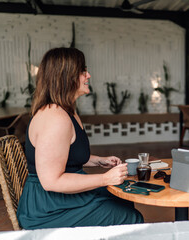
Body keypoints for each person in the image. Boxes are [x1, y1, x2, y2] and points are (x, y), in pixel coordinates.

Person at [17, 47, 143, 229]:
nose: (88, 75)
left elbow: (61, 155)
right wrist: (105, 179)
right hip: (48, 209)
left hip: (58, 200)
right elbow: (51, 181)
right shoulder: (55, 118)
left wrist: (98, 161)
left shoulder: (67, 111)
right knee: (131, 217)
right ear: (66, 76)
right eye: (83, 71)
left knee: (122, 197)